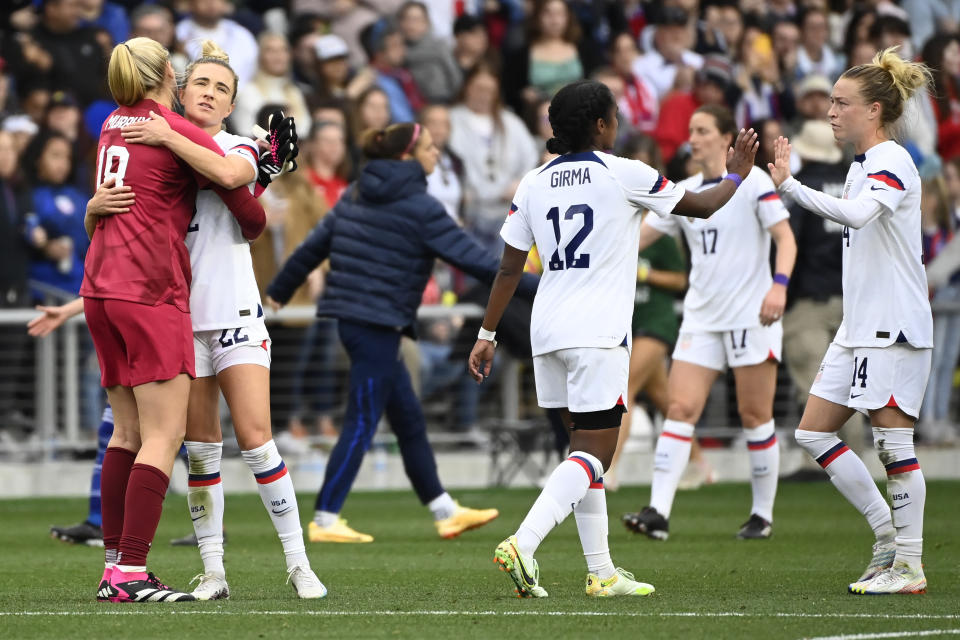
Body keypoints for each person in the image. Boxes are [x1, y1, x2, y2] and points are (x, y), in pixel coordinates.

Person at [468, 80, 759, 598]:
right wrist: (735, 174)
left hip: (547, 331)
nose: (619, 124)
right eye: (616, 117)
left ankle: (601, 571)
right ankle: (524, 542)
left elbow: (508, 270)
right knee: (596, 453)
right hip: (597, 332)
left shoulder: (532, 181)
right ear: (601, 125)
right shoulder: (623, 172)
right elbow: (704, 204)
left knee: (582, 452)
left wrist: (487, 332)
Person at [87, 41, 325, 601]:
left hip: (231, 308)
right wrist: (97, 205)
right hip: (173, 311)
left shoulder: (208, 140)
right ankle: (211, 570)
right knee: (198, 449)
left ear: (231, 103)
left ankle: (298, 561)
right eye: (202, 84)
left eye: (223, 88)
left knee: (258, 442)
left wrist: (257, 173)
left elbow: (252, 220)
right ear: (179, 86)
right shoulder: (164, 133)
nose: (211, 93)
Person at [266, 122, 523, 544]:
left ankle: (444, 511)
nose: (436, 153)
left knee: (408, 418)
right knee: (363, 419)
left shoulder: (355, 193)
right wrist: (543, 284)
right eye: (428, 146)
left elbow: (315, 245)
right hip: (377, 326)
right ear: (406, 156)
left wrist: (280, 288)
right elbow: (480, 264)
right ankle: (326, 519)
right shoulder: (420, 206)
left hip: (359, 322)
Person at [768, 48, 933, 595]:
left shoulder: (892, 159)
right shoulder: (861, 166)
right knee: (814, 431)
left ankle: (909, 565)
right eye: (832, 102)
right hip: (859, 328)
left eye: (843, 103)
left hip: (893, 326)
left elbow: (860, 214)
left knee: (893, 444)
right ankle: (888, 536)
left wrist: (790, 187)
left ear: (876, 111)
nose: (832, 112)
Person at [622, 104, 796, 542]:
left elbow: (785, 239)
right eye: (691, 131)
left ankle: (762, 514)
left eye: (702, 130)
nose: (692, 138)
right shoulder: (683, 190)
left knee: (755, 414)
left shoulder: (754, 182)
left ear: (725, 139)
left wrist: (778, 286)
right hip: (701, 317)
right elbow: (639, 238)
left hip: (751, 315)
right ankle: (658, 510)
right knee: (680, 410)